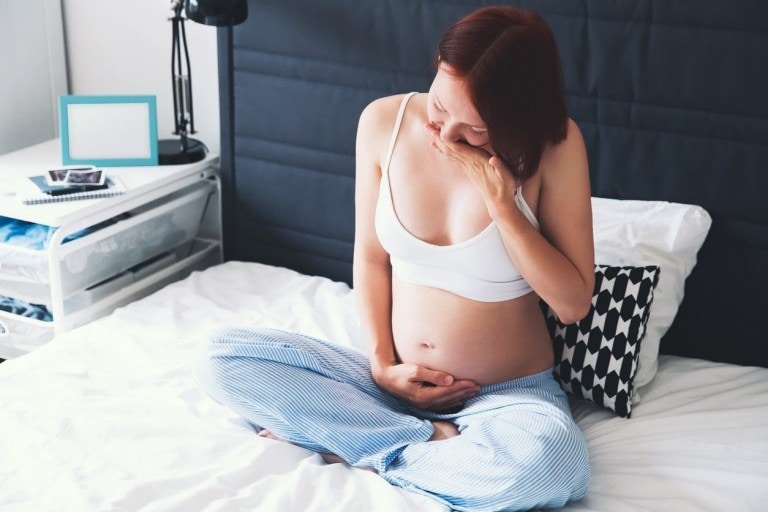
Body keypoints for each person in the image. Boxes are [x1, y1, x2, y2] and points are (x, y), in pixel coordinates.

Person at [196, 6, 593, 511]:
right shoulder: (383, 121)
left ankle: (357, 444)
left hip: (506, 397)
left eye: (475, 128)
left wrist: (503, 206)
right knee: (221, 359)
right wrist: (383, 365)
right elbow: (370, 257)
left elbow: (572, 305)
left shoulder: (556, 145)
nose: (447, 135)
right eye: (441, 107)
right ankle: (421, 443)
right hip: (388, 386)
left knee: (551, 466)